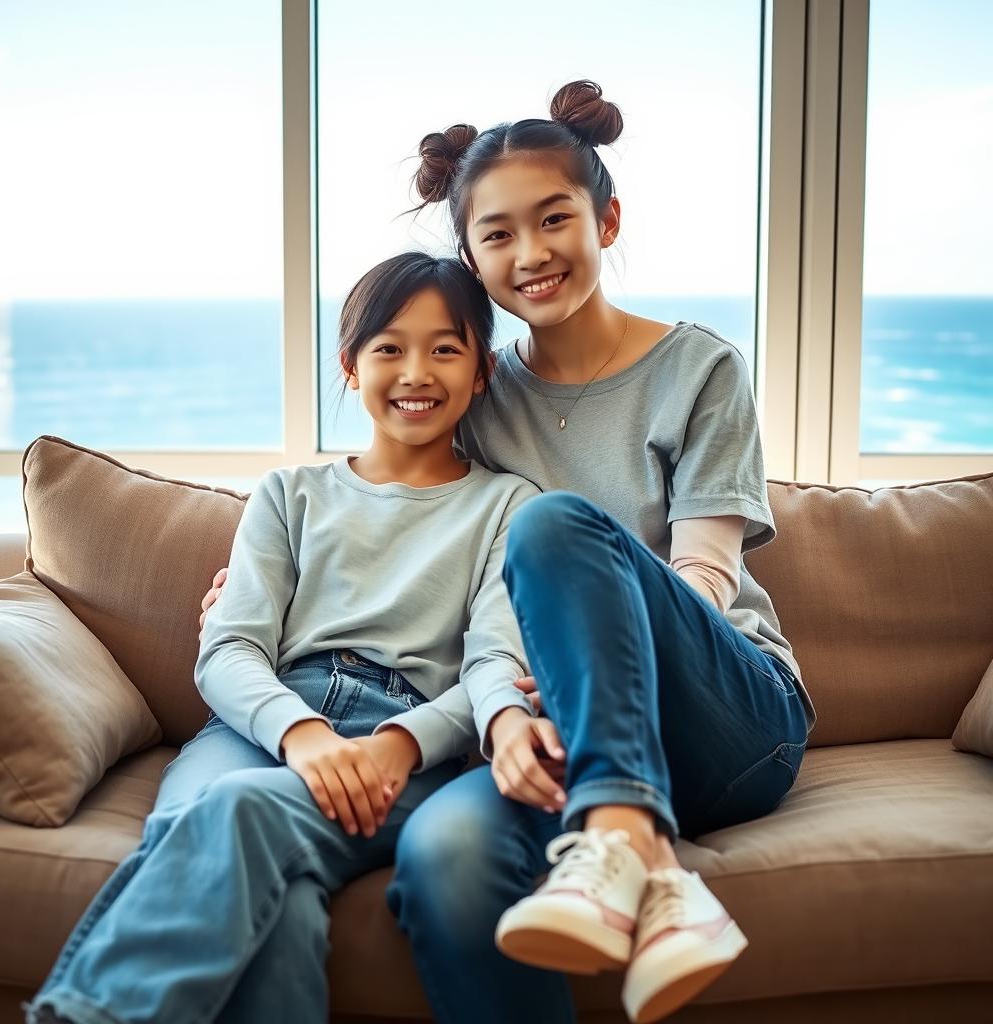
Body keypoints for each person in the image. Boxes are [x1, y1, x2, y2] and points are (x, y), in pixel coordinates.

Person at [200, 80, 818, 1024]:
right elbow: (429, 538)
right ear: (473, 260)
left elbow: (701, 578)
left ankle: (623, 835)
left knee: (550, 524)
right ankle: (632, 868)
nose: (529, 255)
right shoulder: (473, 397)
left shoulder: (702, 370)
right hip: (551, 724)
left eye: (554, 219)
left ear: (607, 221)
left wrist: (584, 667)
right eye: (497, 235)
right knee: (446, 855)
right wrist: (253, 598)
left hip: (723, 713)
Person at [24, 252, 542, 1024]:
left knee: (236, 816)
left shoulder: (510, 506)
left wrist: (395, 746)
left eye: (445, 348)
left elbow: (495, 664)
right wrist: (302, 735)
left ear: (481, 374)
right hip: (262, 720)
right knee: (272, 896)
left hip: (411, 743)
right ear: (350, 366)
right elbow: (228, 650)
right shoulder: (290, 494)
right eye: (389, 348)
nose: (415, 371)